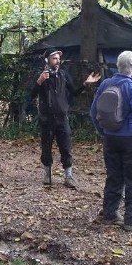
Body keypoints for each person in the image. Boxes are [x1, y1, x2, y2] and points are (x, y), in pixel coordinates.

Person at [90, 50, 132, 231]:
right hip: (131, 139)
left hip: (110, 137)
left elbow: (93, 111)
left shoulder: (105, 84)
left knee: (113, 175)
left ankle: (109, 213)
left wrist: (102, 129)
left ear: (117, 65)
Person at [31, 48, 101, 190]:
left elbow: (74, 92)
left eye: (58, 59)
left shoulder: (64, 75)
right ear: (47, 61)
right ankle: (47, 175)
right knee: (46, 148)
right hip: (46, 119)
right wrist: (39, 81)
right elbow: (31, 95)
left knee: (66, 147)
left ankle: (68, 177)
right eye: (54, 59)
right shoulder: (42, 76)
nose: (57, 61)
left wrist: (85, 84)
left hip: (62, 119)